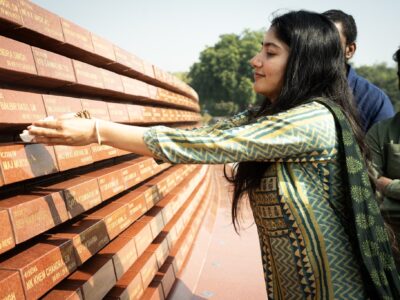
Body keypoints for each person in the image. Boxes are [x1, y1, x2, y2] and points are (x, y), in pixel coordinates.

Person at [28, 10, 400, 299]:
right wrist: (94, 120)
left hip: (334, 288)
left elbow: (205, 146)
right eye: (260, 48)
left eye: (270, 52)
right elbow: (210, 131)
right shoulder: (271, 115)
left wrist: (97, 133)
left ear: (304, 63)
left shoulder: (311, 121)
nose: (255, 60)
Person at [323, 9, 395, 132]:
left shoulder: (374, 101)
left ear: (350, 50)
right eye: (315, 41)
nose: (321, 49)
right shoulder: (294, 91)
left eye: (331, 43)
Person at [366, 47, 400, 256]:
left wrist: (390, 185)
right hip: (390, 249)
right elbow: (370, 189)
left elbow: (381, 183)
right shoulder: (381, 131)